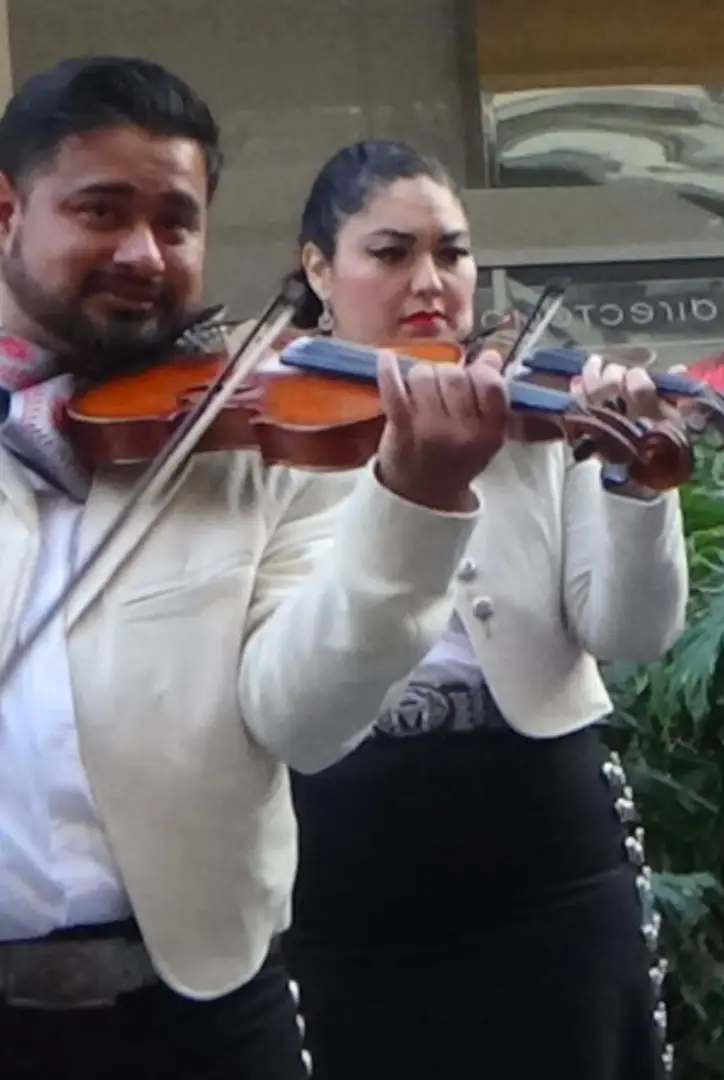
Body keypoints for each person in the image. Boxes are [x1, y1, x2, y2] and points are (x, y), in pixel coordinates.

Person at [0, 58, 517, 1079]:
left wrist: (415, 502)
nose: (144, 252)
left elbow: (304, 722)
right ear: (8, 209)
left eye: (177, 221)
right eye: (102, 211)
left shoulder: (256, 440)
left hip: (201, 1014)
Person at [282, 139, 688, 1080]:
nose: (430, 282)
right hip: (340, 826)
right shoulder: (270, 422)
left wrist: (633, 478)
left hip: (538, 816)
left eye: (452, 253)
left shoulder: (530, 411)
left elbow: (632, 632)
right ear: (317, 267)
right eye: (391, 253)